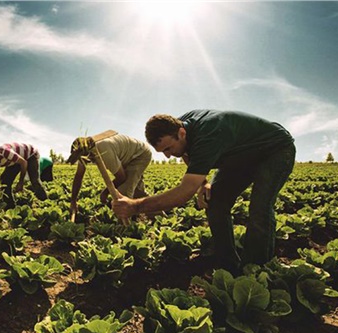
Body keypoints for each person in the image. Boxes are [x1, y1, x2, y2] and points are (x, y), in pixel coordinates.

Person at [112, 110, 295, 271]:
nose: (168, 155)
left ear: (181, 133)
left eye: (169, 148)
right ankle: (228, 265)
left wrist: (135, 206)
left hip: (274, 151)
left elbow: (185, 192)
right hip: (238, 157)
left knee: (260, 207)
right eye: (162, 152)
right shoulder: (180, 128)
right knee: (214, 202)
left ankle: (258, 269)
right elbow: (186, 153)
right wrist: (203, 183)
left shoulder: (209, 134)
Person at [66, 132, 152, 219]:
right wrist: (73, 201)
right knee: (137, 192)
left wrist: (105, 192)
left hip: (139, 155)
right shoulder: (85, 151)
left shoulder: (103, 151)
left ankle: (123, 228)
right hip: (127, 156)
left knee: (124, 192)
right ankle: (158, 213)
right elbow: (78, 176)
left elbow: (121, 177)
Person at [0, 142, 48, 208]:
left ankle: (45, 202)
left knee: (34, 180)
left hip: (31, 154)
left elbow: (24, 163)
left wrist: (21, 182)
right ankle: (10, 206)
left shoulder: (5, 152)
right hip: (16, 160)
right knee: (4, 181)